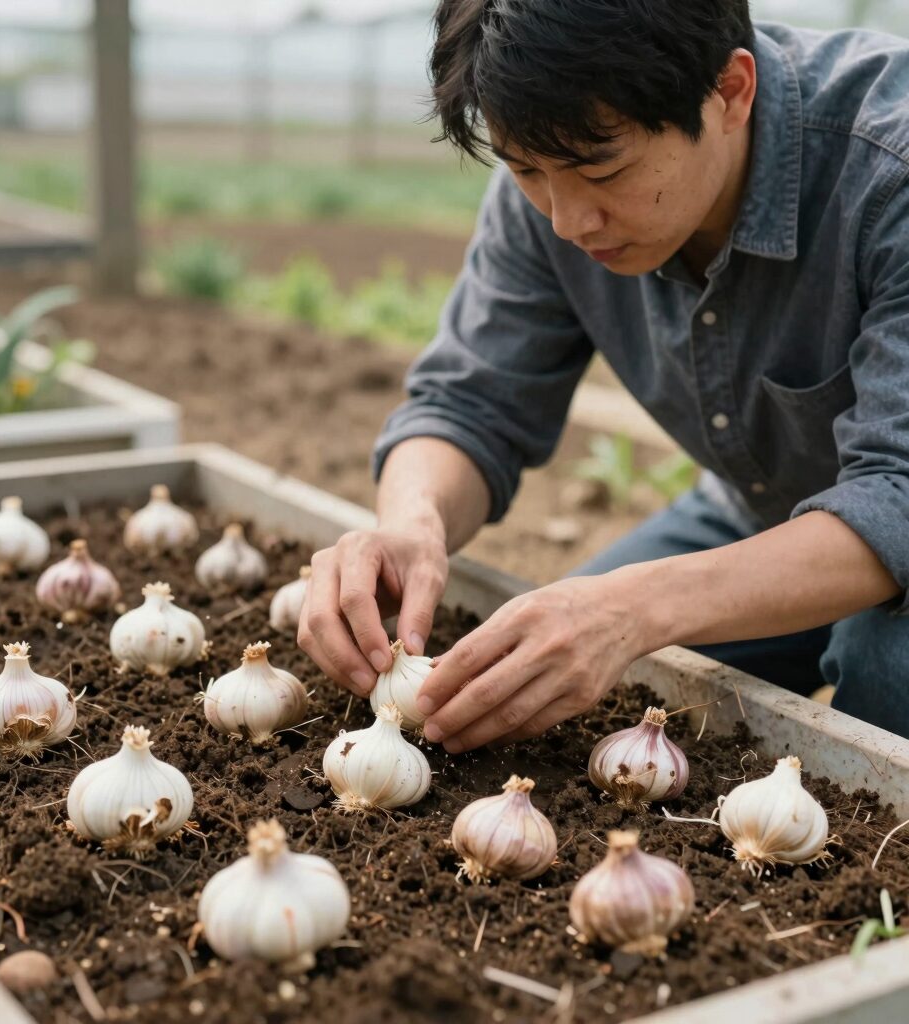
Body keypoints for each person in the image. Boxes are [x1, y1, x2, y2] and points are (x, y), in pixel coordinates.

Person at [297, 0, 909, 749]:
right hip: (764, 508)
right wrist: (410, 522)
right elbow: (471, 404)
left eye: (602, 170)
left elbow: (898, 494)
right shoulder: (560, 164)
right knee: (542, 679)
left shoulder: (889, 170)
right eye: (525, 169)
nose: (567, 221)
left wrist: (636, 607)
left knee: (888, 669)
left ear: (731, 92)